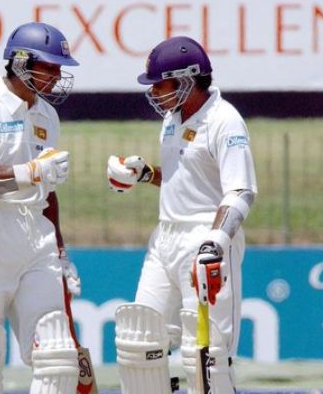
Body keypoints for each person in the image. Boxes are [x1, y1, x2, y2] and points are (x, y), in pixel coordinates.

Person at [107, 36, 258, 393]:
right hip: (165, 238)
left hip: (206, 241)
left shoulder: (225, 121)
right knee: (139, 341)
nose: (155, 93)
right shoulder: (174, 118)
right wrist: (146, 174)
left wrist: (215, 243)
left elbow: (240, 191)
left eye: (161, 84)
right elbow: (186, 178)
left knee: (207, 356)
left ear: (188, 79)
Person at [0, 22, 82, 394]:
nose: (57, 77)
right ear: (21, 63)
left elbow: (48, 193)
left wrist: (61, 248)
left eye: (59, 68)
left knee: (57, 354)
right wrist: (30, 172)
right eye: (50, 67)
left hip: (35, 236)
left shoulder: (47, 116)